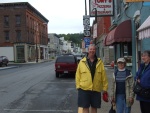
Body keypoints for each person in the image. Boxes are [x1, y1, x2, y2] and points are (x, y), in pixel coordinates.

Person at [75, 44, 108, 113]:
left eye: (93, 49)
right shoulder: (82, 62)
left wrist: (105, 88)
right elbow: (77, 75)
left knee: (94, 108)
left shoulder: (100, 62)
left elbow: (103, 76)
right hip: (84, 89)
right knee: (85, 108)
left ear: (95, 51)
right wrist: (78, 86)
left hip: (96, 89)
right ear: (88, 50)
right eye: (90, 49)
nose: (92, 51)